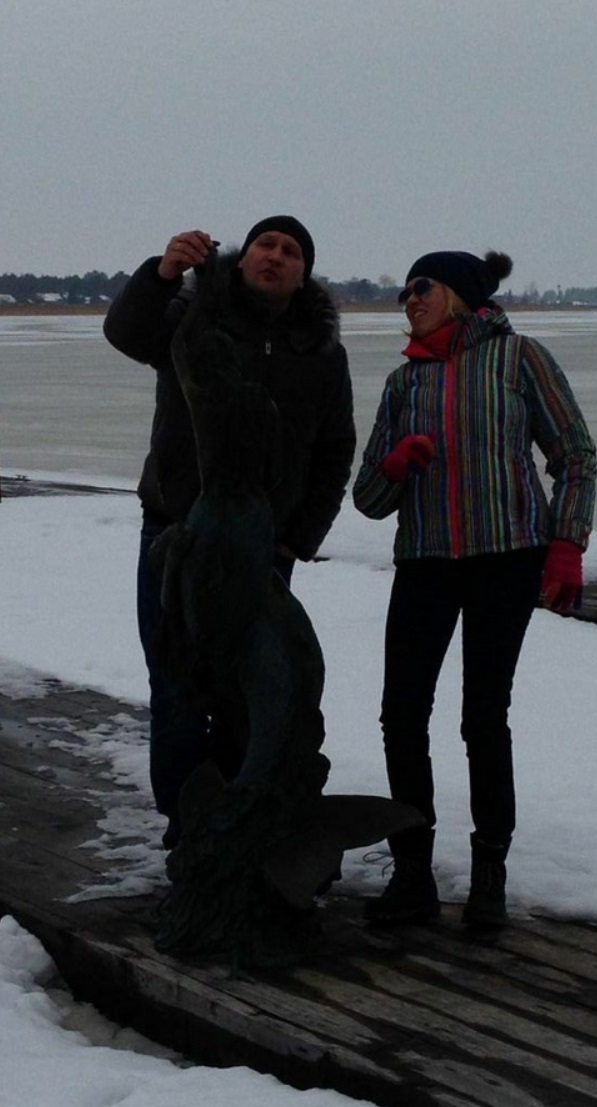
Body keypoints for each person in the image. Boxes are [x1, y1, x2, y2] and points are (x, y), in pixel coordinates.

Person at [353, 249, 597, 929]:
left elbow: (576, 454)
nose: (409, 299)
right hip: (425, 562)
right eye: (404, 291)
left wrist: (567, 544)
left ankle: (489, 873)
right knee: (402, 715)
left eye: (421, 287)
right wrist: (396, 466)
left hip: (507, 560)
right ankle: (412, 873)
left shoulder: (520, 358)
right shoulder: (404, 382)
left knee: (483, 717)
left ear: (459, 295)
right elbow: (367, 497)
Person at [103, 216, 355, 848]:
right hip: (176, 536)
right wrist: (163, 273)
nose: (276, 255)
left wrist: (301, 536)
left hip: (263, 549)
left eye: (291, 251)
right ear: (242, 259)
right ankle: (188, 832)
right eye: (266, 244)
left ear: (303, 275)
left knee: (256, 690)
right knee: (177, 686)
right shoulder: (194, 319)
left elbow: (335, 450)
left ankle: (247, 824)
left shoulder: (322, 352)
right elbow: (125, 332)